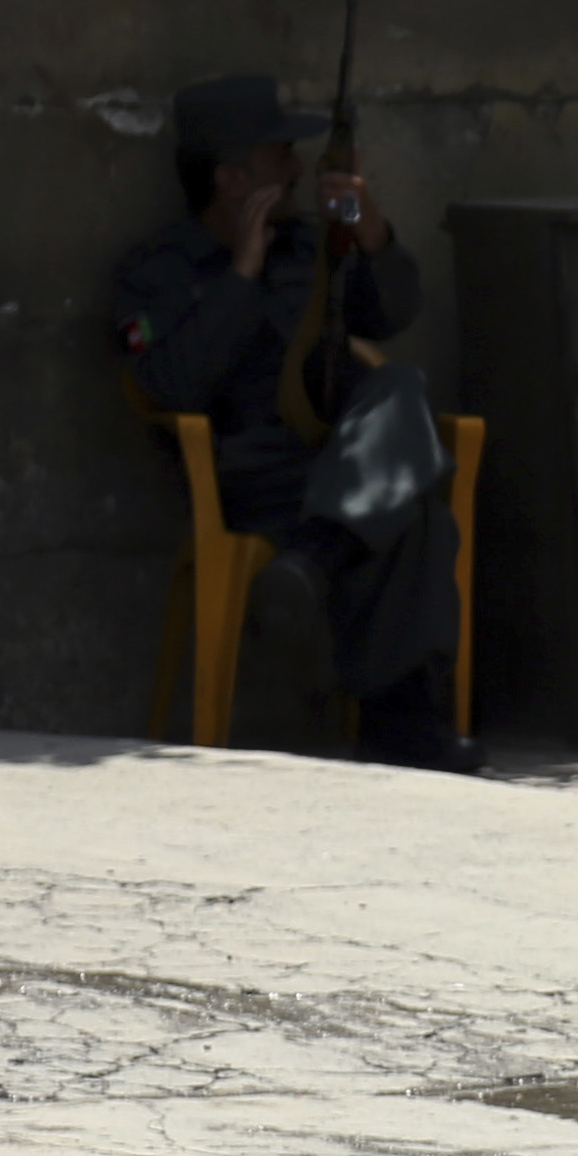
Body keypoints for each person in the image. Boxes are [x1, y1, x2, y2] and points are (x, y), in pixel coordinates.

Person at [108, 74, 475, 770]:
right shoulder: (156, 271)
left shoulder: (311, 249)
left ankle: (319, 557)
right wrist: (241, 276)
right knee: (413, 510)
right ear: (232, 178)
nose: (298, 169)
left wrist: (370, 232)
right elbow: (171, 384)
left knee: (399, 389)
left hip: (343, 464)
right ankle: (400, 727)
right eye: (280, 157)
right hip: (256, 479)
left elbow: (391, 315)